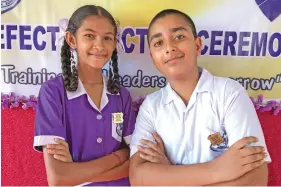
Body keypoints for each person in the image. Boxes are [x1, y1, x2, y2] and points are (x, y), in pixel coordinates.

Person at [129, 9, 271, 186]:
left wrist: (168, 174)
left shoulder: (229, 93)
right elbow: (138, 178)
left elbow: (255, 180)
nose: (169, 47)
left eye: (179, 37)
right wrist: (218, 169)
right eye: (158, 42)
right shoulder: (151, 107)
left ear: (197, 45)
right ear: (153, 58)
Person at [33, 5, 136, 186]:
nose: (99, 45)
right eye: (89, 35)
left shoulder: (121, 95)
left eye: (107, 38)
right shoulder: (53, 92)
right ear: (72, 39)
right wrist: (119, 156)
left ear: (114, 44)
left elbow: (136, 164)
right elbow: (58, 178)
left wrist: (75, 173)